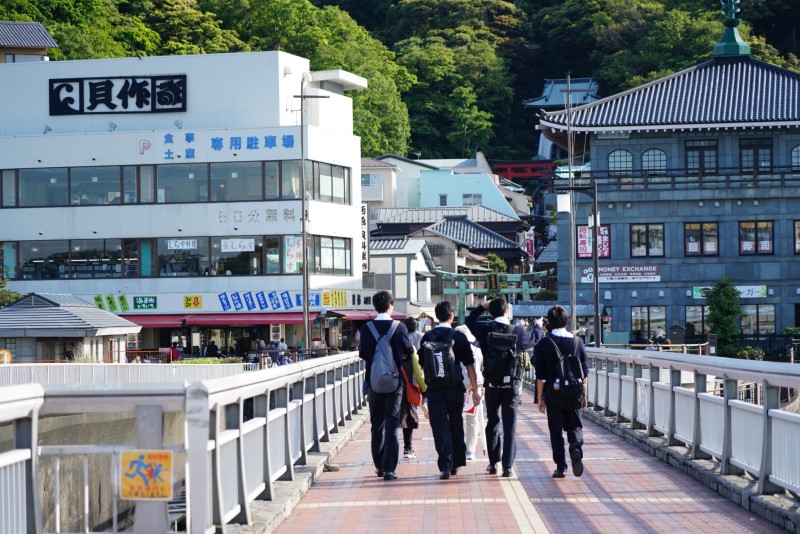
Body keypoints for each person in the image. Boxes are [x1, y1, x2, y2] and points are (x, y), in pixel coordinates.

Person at [466, 297, 543, 477]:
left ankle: (493, 463)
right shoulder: (518, 331)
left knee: (492, 421)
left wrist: (481, 307)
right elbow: (536, 339)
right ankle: (507, 466)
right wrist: (538, 325)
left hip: (492, 383)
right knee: (510, 425)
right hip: (512, 385)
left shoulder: (485, 329)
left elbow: (469, 321)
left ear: (490, 312)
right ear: (507, 311)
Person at [419, 301, 480, 480]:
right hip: (454, 388)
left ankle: (445, 464)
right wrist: (475, 390)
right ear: (452, 316)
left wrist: (424, 389)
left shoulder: (427, 337)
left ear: (437, 316)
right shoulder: (458, 337)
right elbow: (470, 365)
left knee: (439, 426)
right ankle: (456, 463)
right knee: (455, 423)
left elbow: (422, 364)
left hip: (434, 389)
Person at [358, 290, 415, 481]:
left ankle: (379, 465)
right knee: (392, 424)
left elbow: (363, 354)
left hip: (373, 382)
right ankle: (390, 469)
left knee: (377, 424)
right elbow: (409, 351)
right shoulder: (399, 328)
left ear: (375, 306)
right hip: (394, 381)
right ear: (390, 305)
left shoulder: (366, 329)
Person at [535, 305, 589, 479]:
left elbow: (541, 376)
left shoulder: (544, 343)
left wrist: (539, 398)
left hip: (554, 392)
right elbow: (584, 372)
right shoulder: (577, 342)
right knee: (575, 425)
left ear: (549, 322)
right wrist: (585, 395)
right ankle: (575, 448)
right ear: (566, 321)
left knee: (556, 430)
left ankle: (561, 466)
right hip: (574, 391)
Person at [454, 324, 484, 461]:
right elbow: (481, 367)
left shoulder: (453, 348)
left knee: (456, 417)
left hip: (458, 385)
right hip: (474, 386)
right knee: (472, 419)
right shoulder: (477, 349)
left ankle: (458, 447)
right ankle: (470, 450)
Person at [401, 316, 423, 459]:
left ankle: (404, 448)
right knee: (410, 411)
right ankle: (408, 448)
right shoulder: (421, 337)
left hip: (402, 379)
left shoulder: (401, 338)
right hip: (416, 378)